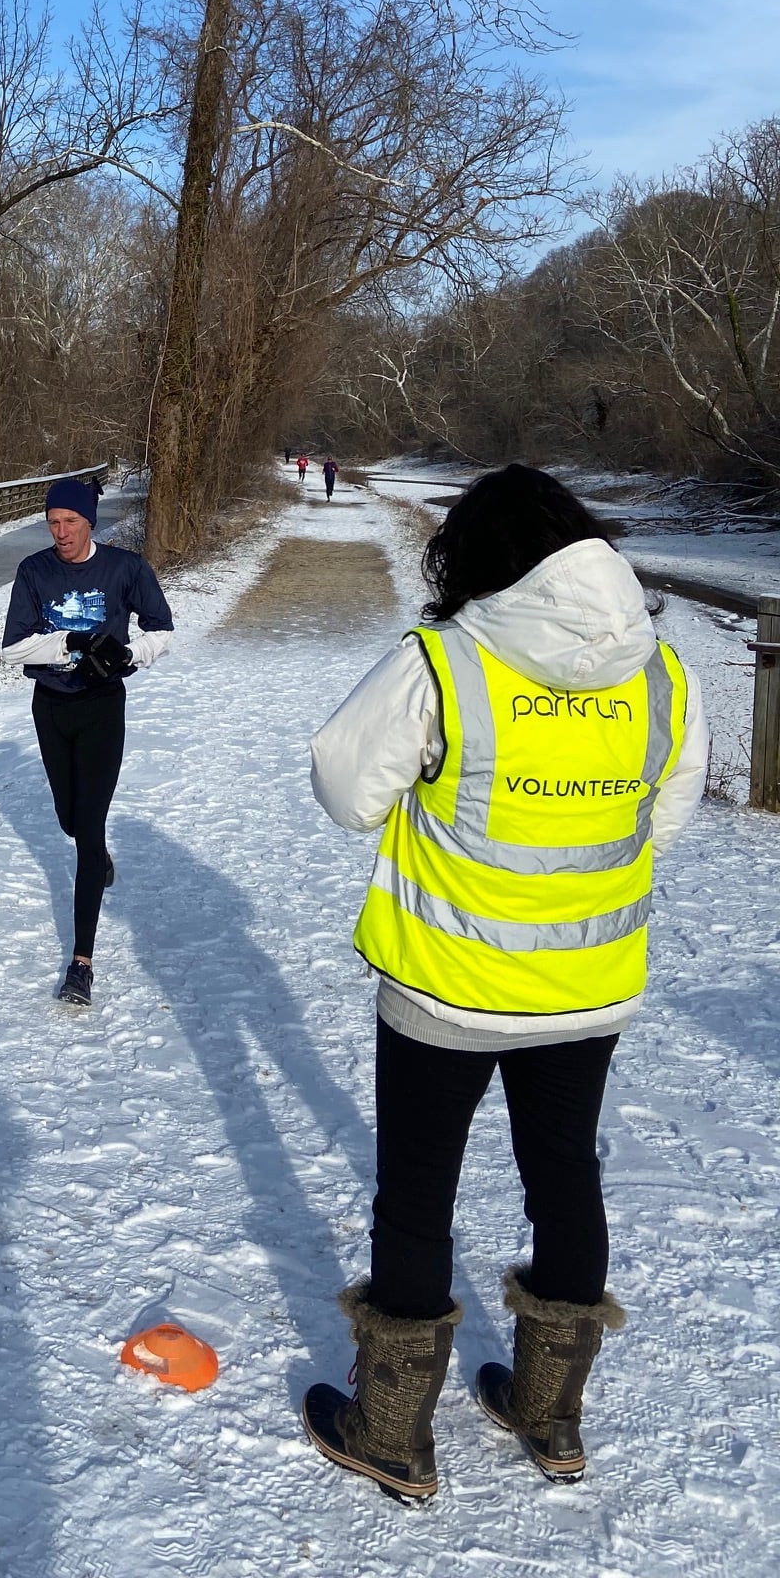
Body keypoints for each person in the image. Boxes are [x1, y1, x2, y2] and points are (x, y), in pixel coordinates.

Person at [301, 464, 706, 1502]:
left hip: (445, 989)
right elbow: (661, 818)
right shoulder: (661, 673)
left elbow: (347, 791)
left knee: (419, 1193)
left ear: (470, 561)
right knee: (564, 1173)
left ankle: (391, 1432)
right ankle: (549, 1417)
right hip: (586, 988)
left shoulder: (442, 662)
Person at [1, 477, 173, 1007]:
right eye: (53, 522)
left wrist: (129, 654)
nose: (61, 532)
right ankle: (96, 855)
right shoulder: (34, 571)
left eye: (71, 522)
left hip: (102, 709)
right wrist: (69, 641)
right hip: (51, 708)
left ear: (90, 522)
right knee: (70, 821)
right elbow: (12, 650)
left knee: (90, 826)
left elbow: (162, 629)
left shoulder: (125, 569)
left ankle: (82, 963)